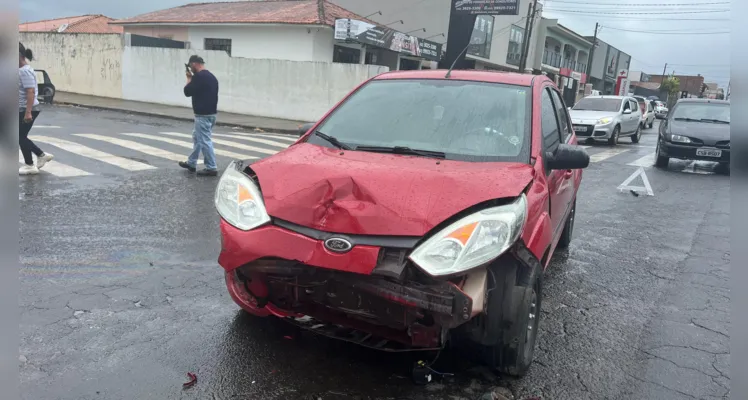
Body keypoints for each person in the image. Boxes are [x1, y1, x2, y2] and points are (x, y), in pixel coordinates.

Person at [178, 55, 219, 176]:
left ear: (195, 64)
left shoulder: (199, 77)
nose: (191, 68)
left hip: (202, 115)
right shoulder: (211, 76)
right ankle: (191, 163)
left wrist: (189, 78)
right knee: (197, 137)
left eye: (191, 66)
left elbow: (187, 92)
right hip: (211, 114)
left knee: (205, 140)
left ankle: (212, 167)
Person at [18, 42, 53, 175]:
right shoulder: (20, 70)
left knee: (19, 136)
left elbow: (31, 92)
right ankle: (38, 157)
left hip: (28, 109)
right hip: (23, 108)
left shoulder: (25, 71)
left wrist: (28, 112)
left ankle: (31, 163)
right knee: (20, 136)